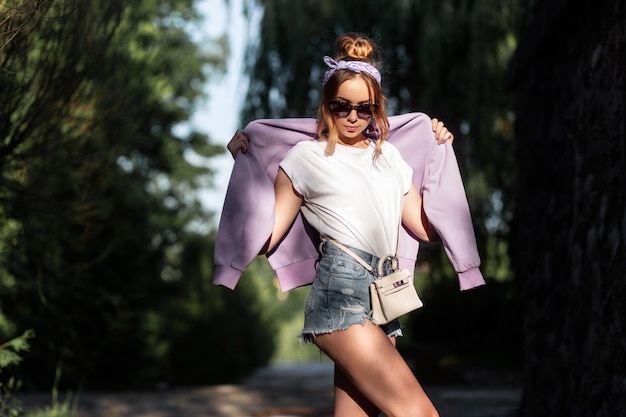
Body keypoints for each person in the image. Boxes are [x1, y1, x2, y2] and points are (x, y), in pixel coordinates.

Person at [215, 33, 485, 417]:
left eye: (365, 107)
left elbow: (425, 229)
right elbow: (266, 239)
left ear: (378, 108)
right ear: (326, 105)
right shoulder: (304, 158)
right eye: (342, 106)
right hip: (339, 298)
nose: (354, 117)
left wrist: (441, 151)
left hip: (386, 297)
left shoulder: (389, 157)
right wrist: (244, 168)